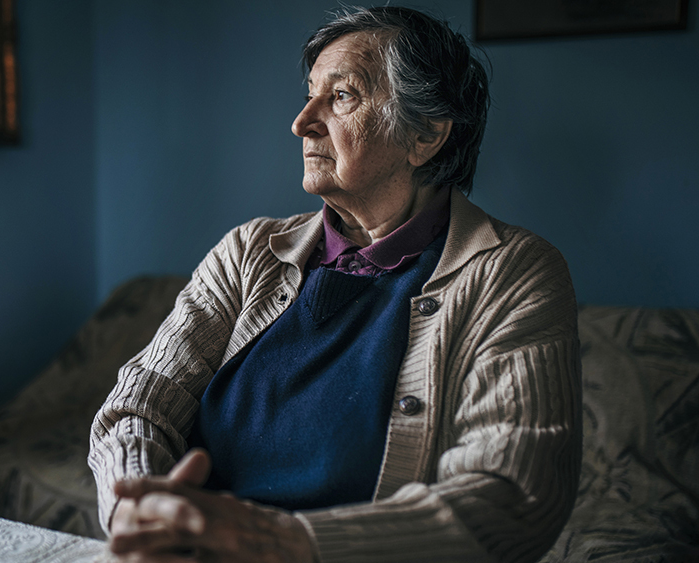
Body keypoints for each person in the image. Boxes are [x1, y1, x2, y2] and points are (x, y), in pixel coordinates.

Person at [89, 6, 581, 563]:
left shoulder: (513, 273)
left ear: (426, 134)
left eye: (341, 95)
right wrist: (137, 499)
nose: (302, 122)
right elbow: (139, 405)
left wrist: (283, 544)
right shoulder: (249, 251)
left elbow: (513, 497)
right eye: (308, 94)